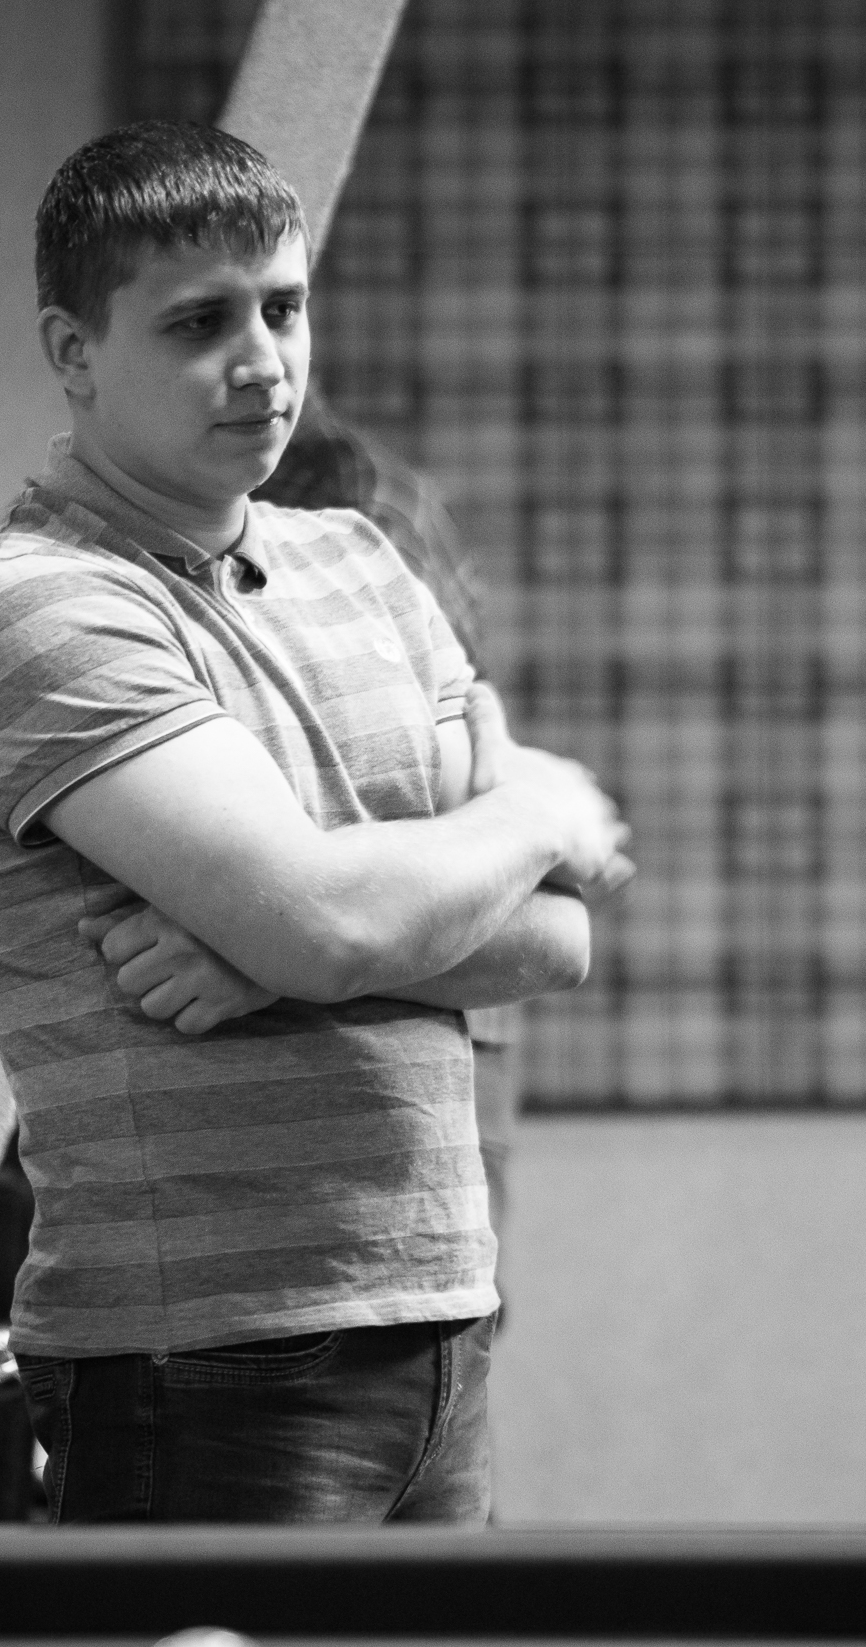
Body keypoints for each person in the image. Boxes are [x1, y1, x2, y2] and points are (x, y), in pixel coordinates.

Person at [0, 121, 630, 1524]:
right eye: (199, 322)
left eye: (283, 307)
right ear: (72, 350)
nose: (263, 361)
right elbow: (330, 918)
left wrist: (276, 951)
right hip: (203, 1353)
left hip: (439, 1320)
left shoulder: (361, 559)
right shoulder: (29, 605)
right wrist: (527, 810)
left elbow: (554, 937)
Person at [252, 394, 524, 1232]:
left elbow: (394, 800)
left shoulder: (349, 507)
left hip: (406, 1007)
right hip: (357, 983)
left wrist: (237, 950)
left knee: (419, 1290)